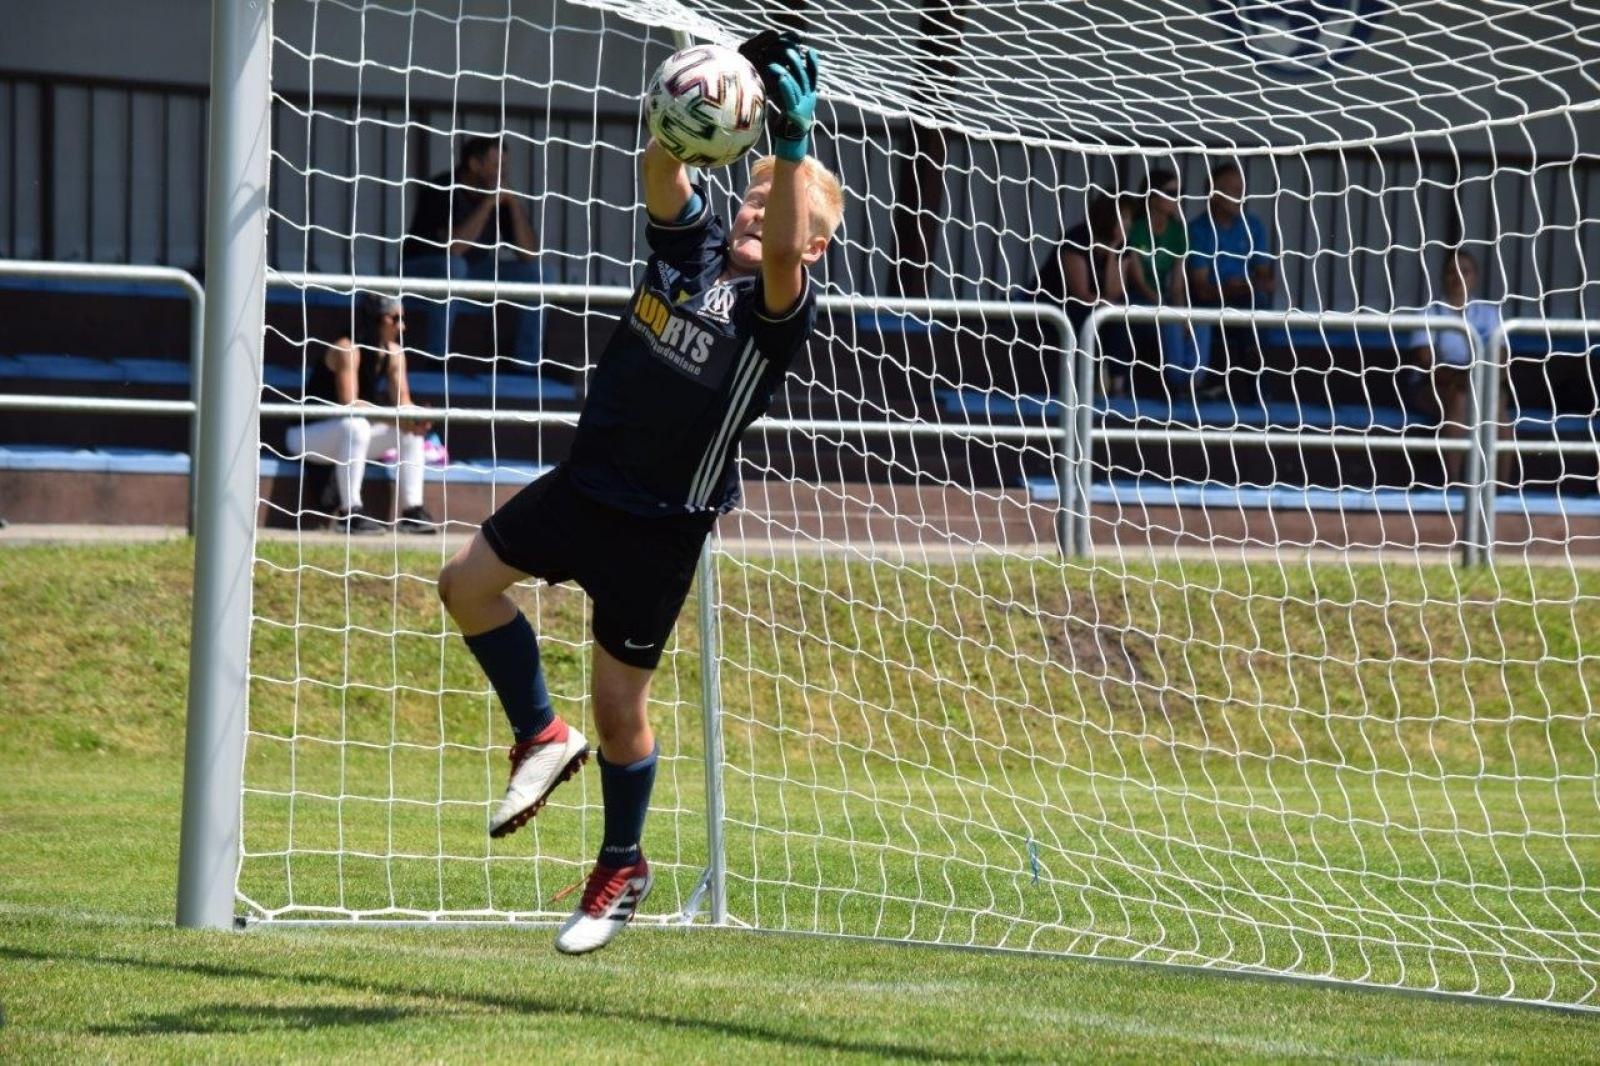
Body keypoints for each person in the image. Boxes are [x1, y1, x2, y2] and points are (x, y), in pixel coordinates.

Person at [435, 33, 841, 955]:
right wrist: (693, 99)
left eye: (779, 208)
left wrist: (791, 144)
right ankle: (541, 733)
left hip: (661, 528)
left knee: (622, 715)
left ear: (813, 243)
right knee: (464, 584)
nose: (759, 206)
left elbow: (779, 253)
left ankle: (623, 864)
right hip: (586, 485)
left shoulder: (782, 305)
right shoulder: (692, 246)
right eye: (753, 193)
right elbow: (663, 171)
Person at [285, 293, 437, 535]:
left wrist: (417, 419)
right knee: (356, 425)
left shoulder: (395, 353)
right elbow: (350, 404)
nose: (402, 326)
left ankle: (412, 512)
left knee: (408, 433)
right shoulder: (347, 348)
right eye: (395, 318)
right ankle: (350, 514)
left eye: (403, 318)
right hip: (306, 435)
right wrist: (396, 416)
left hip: (349, 437)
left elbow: (404, 403)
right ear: (376, 318)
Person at [402, 136, 543, 367]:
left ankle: (526, 363)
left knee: (539, 274)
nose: (503, 174)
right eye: (496, 166)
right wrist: (487, 204)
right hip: (422, 269)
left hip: (473, 271)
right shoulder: (442, 187)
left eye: (505, 166)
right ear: (474, 164)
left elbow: (530, 255)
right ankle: (437, 358)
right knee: (455, 266)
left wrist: (515, 205)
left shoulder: (501, 196)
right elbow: (454, 248)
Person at [1407, 247, 1502, 481]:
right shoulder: (1430, 313)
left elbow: (1502, 361)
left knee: (1498, 406)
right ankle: (1454, 483)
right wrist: (1466, 379)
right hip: (1435, 389)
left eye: (1465, 271)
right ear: (1443, 277)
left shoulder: (1489, 314)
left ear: (1475, 277)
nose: (1458, 276)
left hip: (1479, 387)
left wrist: (1478, 380)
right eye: (1452, 271)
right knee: (1458, 399)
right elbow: (1426, 364)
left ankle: (1501, 490)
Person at [1186, 161, 1277, 400]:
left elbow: (1266, 278)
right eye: (1234, 191)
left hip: (1245, 302)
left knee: (1258, 308)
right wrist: (1232, 288)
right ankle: (1249, 393)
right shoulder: (1197, 230)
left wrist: (1249, 285)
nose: (1241, 197)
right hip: (1210, 303)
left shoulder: (1252, 225)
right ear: (1214, 193)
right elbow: (1201, 289)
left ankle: (1258, 398)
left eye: (1242, 191)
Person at [1033, 191, 1139, 395]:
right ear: (1108, 217)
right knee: (1091, 318)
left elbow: (1114, 292)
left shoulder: (1123, 245)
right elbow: (1079, 292)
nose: (1128, 223)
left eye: (1129, 218)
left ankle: (1117, 387)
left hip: (1097, 305)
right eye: (1124, 217)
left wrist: (1114, 252)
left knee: (1118, 320)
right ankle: (1081, 387)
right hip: (1058, 303)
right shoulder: (1077, 239)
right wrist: (1107, 305)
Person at [1124, 167, 1189, 389]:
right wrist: (1166, 308)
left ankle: (1193, 381)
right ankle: (1177, 383)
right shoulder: (1136, 228)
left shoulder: (1178, 231)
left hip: (1163, 299)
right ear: (1152, 197)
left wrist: (1182, 313)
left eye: (1180, 192)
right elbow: (1138, 281)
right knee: (1170, 321)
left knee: (1200, 322)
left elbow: (1178, 286)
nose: (1177, 198)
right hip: (1136, 298)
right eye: (1171, 193)